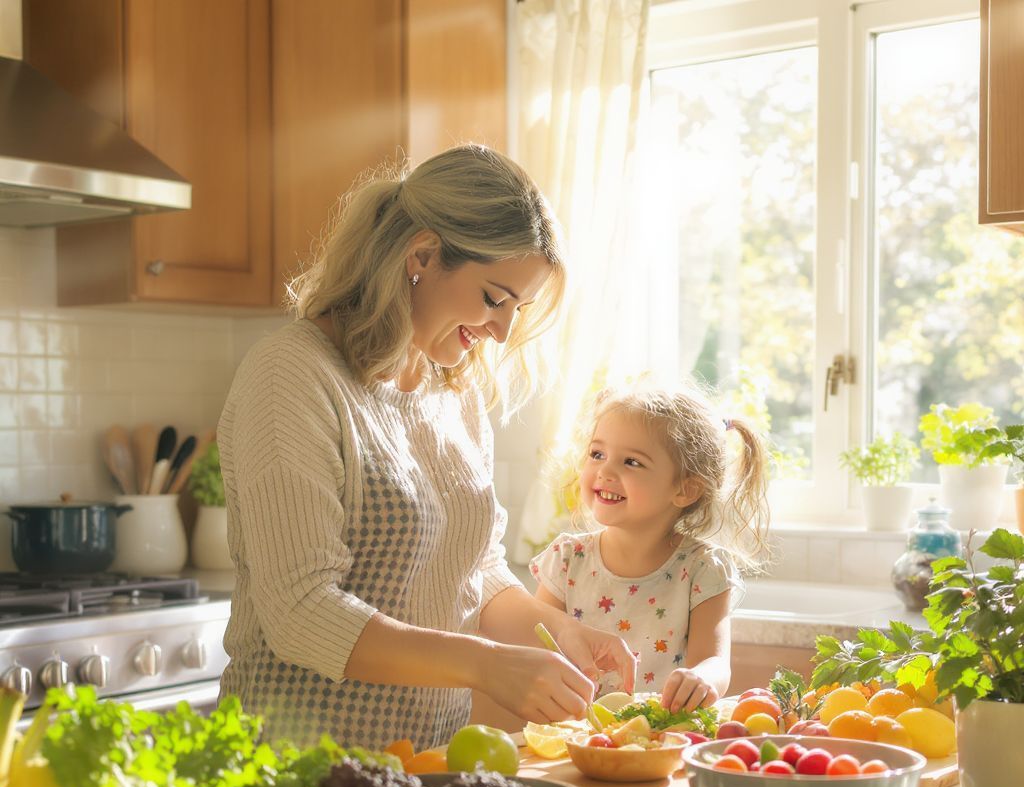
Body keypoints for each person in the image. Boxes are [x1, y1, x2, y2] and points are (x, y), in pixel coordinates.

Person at [217, 144, 636, 750]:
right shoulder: (292, 374)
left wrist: (560, 631)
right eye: (494, 298)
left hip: (424, 759)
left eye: (518, 309)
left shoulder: (452, 392)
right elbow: (302, 612)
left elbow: (475, 571)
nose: (502, 332)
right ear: (421, 256)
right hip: (295, 763)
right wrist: (485, 664)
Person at [529, 385, 771, 712]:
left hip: (657, 732)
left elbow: (715, 662)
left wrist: (702, 678)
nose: (605, 471)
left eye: (632, 462)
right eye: (597, 454)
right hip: (574, 729)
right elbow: (534, 643)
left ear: (685, 489)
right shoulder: (567, 559)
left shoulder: (703, 569)